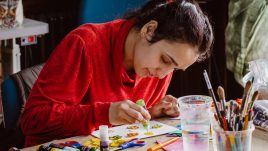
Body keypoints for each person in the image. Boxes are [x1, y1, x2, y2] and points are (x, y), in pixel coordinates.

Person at [20, 0, 213, 147]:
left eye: (175, 68)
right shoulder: (84, 44)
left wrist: (151, 113)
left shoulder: (156, 69)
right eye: (165, 60)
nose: (163, 75)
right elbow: (32, 120)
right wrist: (105, 113)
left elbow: (121, 131)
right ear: (149, 30)